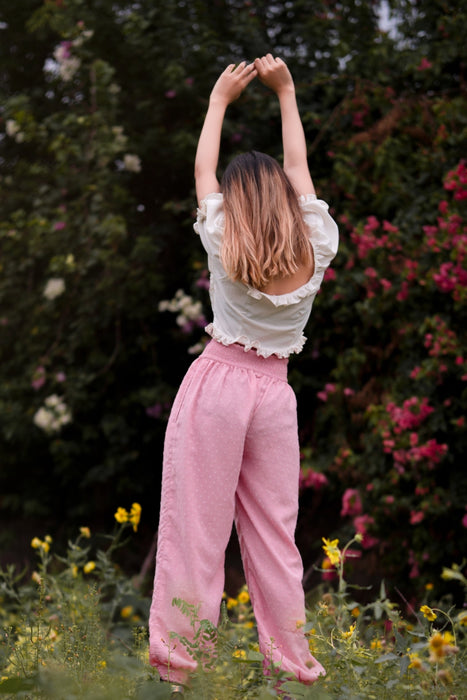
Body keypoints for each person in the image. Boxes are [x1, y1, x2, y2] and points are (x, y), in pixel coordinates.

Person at [149, 54, 338, 692]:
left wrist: (218, 102)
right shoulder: (316, 244)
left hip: (220, 387)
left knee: (196, 530)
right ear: (286, 198)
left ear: (235, 200)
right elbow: (298, 169)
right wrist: (286, 93)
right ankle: (291, 676)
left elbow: (204, 169)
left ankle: (179, 675)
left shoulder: (224, 237)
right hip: (275, 398)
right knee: (276, 543)